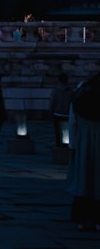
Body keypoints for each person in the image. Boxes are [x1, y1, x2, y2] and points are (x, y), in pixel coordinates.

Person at [67, 73, 100, 231]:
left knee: (83, 181)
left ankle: (80, 219)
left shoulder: (80, 94)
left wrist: (72, 144)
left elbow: (72, 122)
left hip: (83, 143)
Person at [51, 73, 76, 148]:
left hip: (57, 114)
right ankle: (67, 146)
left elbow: (52, 103)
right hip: (68, 114)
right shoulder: (71, 91)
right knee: (68, 132)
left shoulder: (55, 91)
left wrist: (51, 112)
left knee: (58, 132)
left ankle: (59, 147)